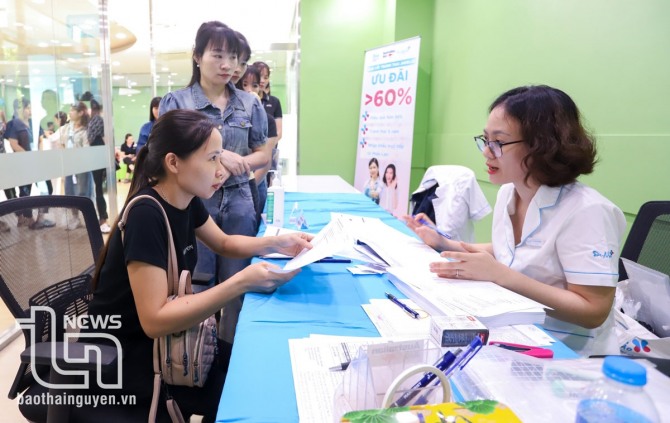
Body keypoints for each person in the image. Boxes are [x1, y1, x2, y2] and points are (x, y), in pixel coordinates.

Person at [85, 109, 312, 422]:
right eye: (213, 159)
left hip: (170, 345)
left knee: (245, 366)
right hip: (129, 360)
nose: (222, 170)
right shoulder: (146, 215)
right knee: (245, 394)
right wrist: (241, 281)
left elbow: (225, 243)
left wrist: (277, 242)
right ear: (174, 163)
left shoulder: (185, 200)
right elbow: (155, 319)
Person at [405, 85, 625, 356]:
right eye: (485, 140)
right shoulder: (509, 193)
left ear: (543, 145)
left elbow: (593, 311)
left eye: (498, 142)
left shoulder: (588, 211)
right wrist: (444, 243)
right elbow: (511, 250)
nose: (487, 152)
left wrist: (501, 276)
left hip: (571, 354)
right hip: (518, 333)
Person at [159, 21, 269, 348]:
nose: (227, 65)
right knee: (197, 287)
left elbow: (263, 152)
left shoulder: (249, 104)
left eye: (233, 58)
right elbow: (164, 156)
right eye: (217, 55)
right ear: (196, 56)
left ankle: (229, 357)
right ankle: (196, 361)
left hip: (238, 202)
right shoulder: (177, 103)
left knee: (237, 287)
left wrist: (242, 162)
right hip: (193, 205)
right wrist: (219, 159)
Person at [236, 63, 278, 227]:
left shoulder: (268, 120)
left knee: (254, 228)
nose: (249, 90)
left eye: (254, 85)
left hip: (256, 183)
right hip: (228, 184)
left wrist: (249, 186)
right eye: (244, 84)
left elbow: (266, 160)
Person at [88, 98, 111, 234]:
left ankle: (102, 217)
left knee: (97, 189)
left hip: (95, 156)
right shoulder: (96, 120)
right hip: (96, 156)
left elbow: (97, 139)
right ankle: (102, 217)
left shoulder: (94, 120)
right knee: (97, 189)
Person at [253, 61, 283, 142]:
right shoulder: (243, 100)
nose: (262, 81)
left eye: (266, 77)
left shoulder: (274, 102)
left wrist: (264, 149)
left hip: (270, 150)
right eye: (259, 76)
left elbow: (279, 133)